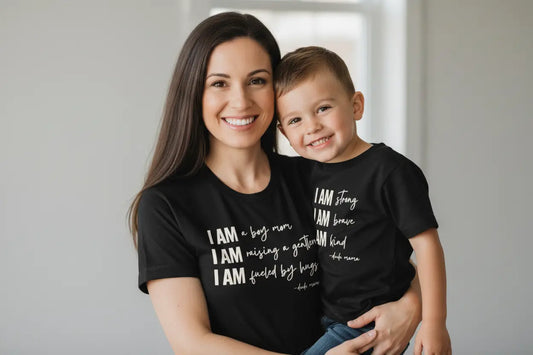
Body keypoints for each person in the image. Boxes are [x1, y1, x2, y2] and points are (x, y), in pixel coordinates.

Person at [129, 12, 421, 355]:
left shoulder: (316, 177)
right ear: (194, 93)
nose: (241, 101)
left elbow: (388, 263)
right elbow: (192, 342)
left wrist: (411, 307)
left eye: (257, 80)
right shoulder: (166, 206)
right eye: (219, 83)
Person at [275, 46, 452, 355]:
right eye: (295, 120)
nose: (312, 126)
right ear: (283, 132)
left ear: (355, 105)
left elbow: (427, 247)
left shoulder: (389, 171)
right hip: (325, 315)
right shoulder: (307, 172)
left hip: (368, 320)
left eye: (323, 108)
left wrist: (434, 323)